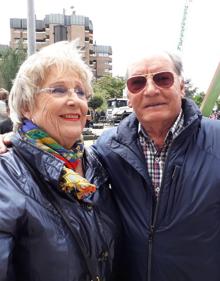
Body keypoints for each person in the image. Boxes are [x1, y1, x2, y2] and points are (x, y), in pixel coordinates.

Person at [91, 51, 220, 281]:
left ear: (181, 86)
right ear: (129, 96)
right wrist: (18, 140)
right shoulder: (107, 148)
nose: (150, 90)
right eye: (137, 83)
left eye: (162, 79)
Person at [0, 40, 120, 281]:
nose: (74, 100)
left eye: (80, 91)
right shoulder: (6, 175)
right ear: (26, 105)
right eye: (58, 90)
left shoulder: (96, 162)